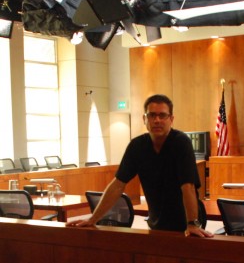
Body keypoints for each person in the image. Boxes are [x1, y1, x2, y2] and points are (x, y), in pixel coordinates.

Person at [67, 94, 213, 238]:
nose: (157, 120)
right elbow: (118, 184)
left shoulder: (181, 142)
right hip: (157, 220)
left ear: (171, 119)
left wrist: (192, 223)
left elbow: (188, 187)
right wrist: (93, 219)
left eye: (162, 115)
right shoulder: (137, 146)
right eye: (152, 115)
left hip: (187, 220)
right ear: (145, 119)